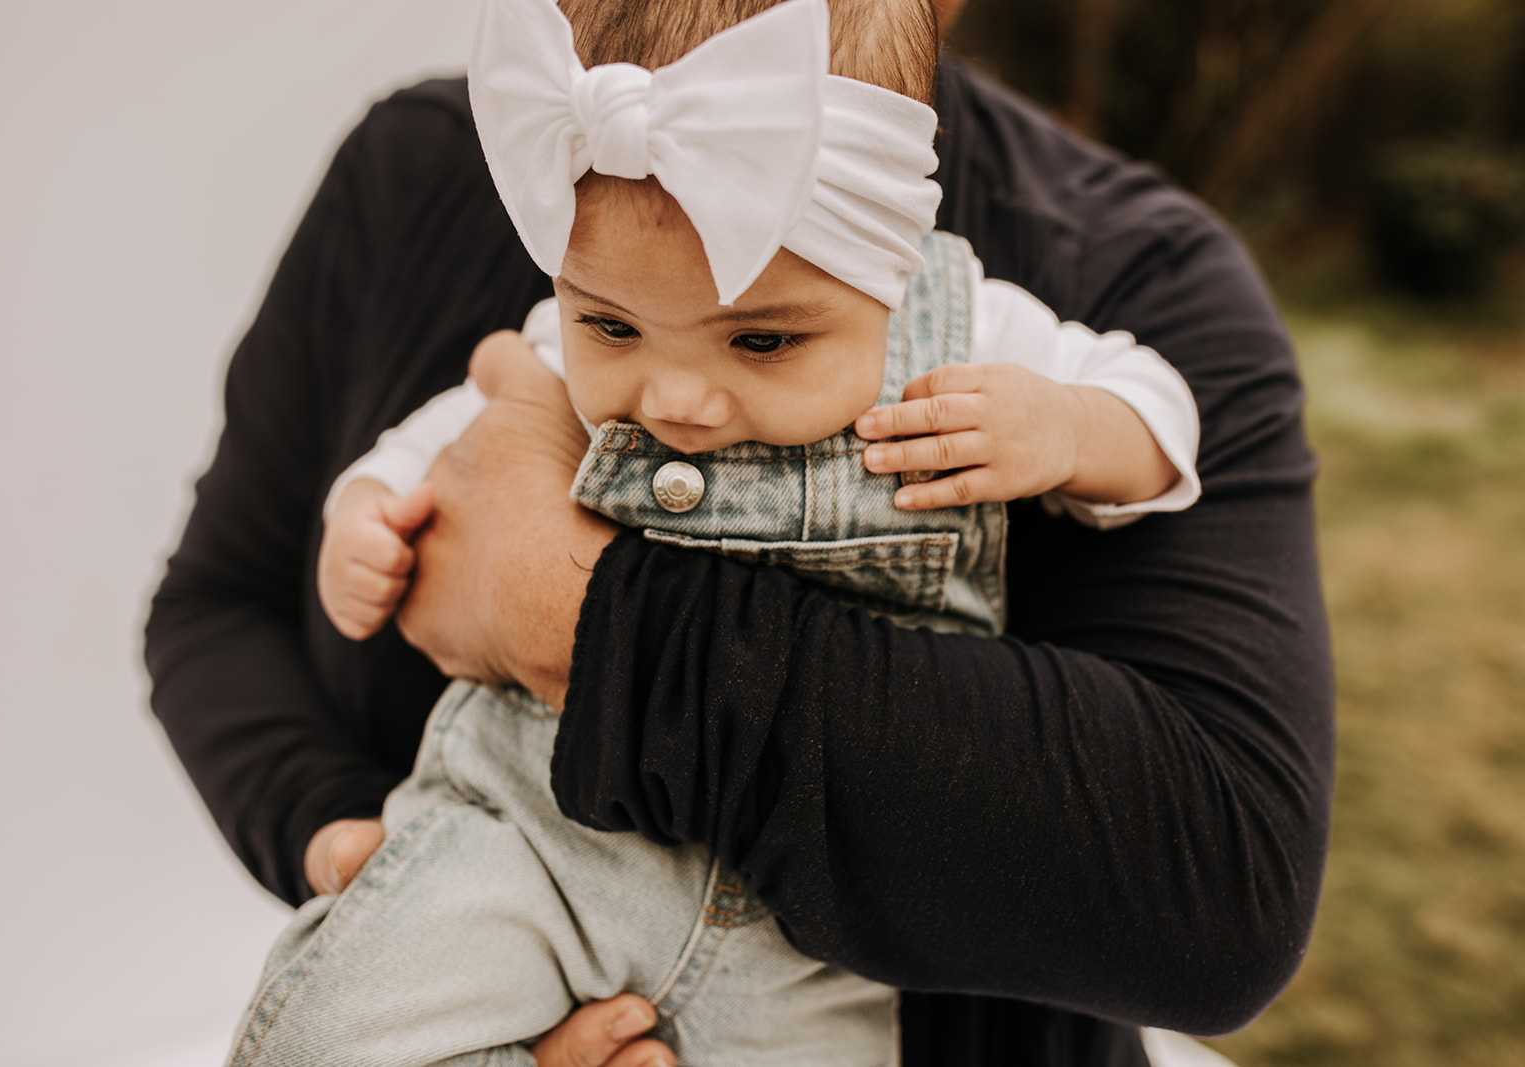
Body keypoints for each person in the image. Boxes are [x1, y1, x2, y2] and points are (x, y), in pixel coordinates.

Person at [145, 0, 1333, 1064]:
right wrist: (356, 845)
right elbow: (226, 596)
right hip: (521, 886)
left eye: (762, 340)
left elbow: (1218, 885)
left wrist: (564, 605)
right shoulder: (452, 172)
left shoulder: (1064, 291)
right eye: (611, 326)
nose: (674, 397)